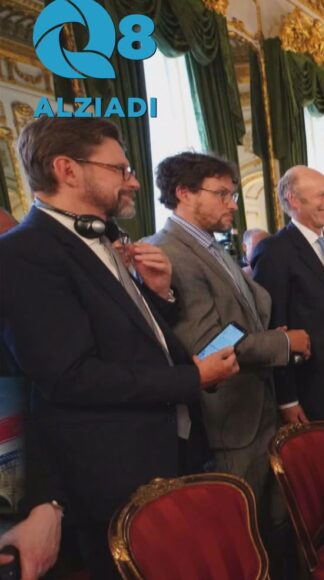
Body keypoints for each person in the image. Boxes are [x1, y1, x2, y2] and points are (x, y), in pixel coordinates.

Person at [0, 117, 239, 578]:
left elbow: (126, 337)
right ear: (68, 170)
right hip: (113, 473)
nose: (133, 181)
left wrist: (160, 295)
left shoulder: (101, 236)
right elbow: (71, 376)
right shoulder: (24, 253)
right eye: (120, 169)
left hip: (167, 452)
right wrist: (192, 378)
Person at [146, 152, 311, 573]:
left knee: (274, 531)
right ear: (184, 193)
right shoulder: (168, 252)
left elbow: (238, 322)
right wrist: (283, 342)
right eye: (222, 194)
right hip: (227, 420)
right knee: (243, 540)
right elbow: (209, 347)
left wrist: (267, 334)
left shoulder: (210, 245)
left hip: (255, 409)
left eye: (232, 194)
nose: (233, 204)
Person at [252, 166, 324, 424]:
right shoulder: (275, 251)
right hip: (313, 388)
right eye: (322, 195)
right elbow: (274, 326)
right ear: (293, 200)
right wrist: (287, 399)